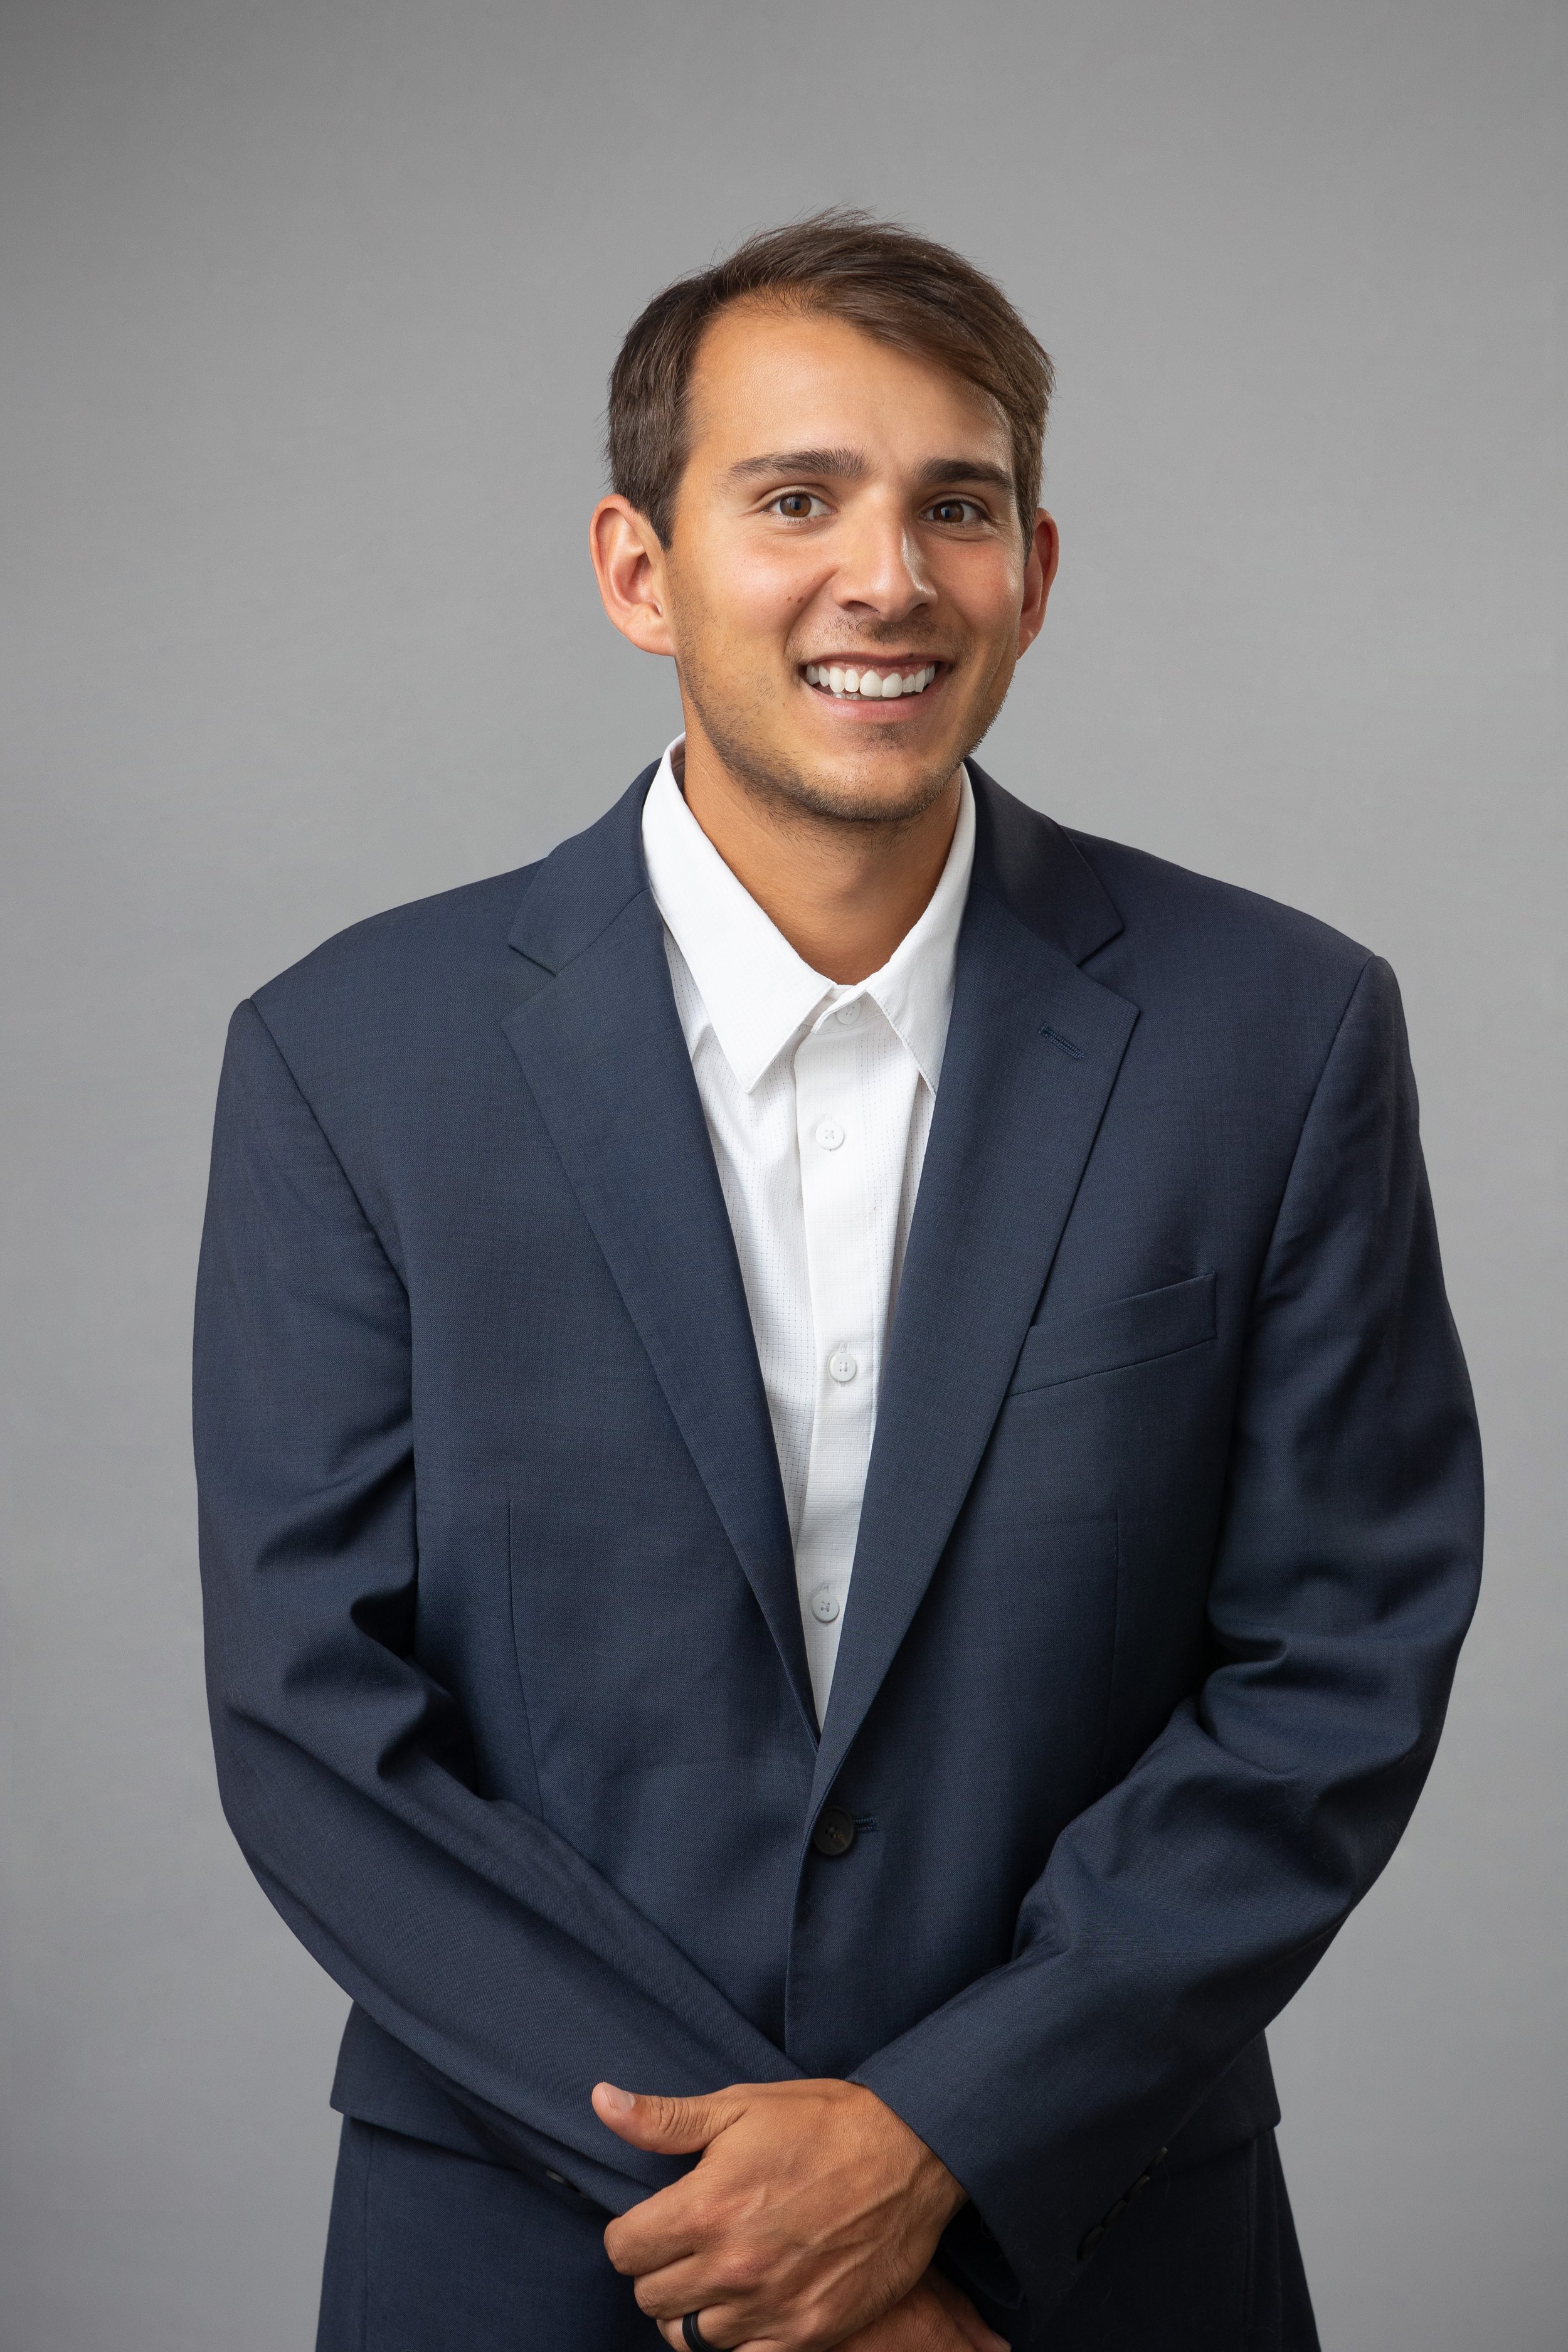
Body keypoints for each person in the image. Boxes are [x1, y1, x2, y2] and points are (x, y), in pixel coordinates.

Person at [193, 213, 1482, 2352]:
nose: (885, 578)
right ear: (637, 568)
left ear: (1031, 577)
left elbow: (1339, 1658)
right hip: (529, 2248)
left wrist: (935, 2146)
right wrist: (763, 2221)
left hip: (1091, 2240)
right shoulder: (350, 1058)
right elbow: (312, 1723)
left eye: (952, 507)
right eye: (794, 499)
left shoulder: (1277, 1033)